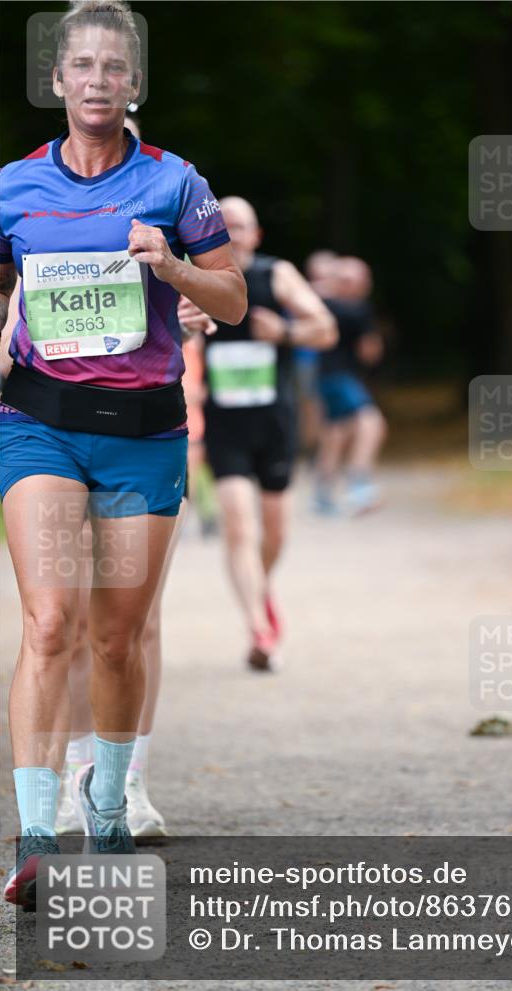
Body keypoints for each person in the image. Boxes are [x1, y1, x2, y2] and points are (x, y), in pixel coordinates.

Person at [0, 0, 246, 908]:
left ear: (133, 84)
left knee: (113, 636)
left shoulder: (175, 184)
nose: (98, 82)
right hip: (40, 423)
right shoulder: (10, 189)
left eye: (115, 69)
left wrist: (174, 268)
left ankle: (105, 809)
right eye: (82, 67)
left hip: (143, 433)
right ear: (57, 80)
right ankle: (34, 836)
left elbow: (233, 301)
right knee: (50, 621)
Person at [53, 118, 218, 841]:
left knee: (134, 621)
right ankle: (70, 777)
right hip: (56, 433)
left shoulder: (166, 208)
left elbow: (208, 298)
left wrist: (187, 300)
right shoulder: (43, 221)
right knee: (67, 620)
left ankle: (126, 780)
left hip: (143, 433)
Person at [202, 197, 336, 670]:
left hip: (274, 421)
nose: (233, 235)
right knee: (239, 525)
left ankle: (261, 590)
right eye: (225, 226)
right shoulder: (198, 279)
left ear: (256, 234)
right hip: (224, 424)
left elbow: (326, 328)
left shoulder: (276, 275)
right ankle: (259, 628)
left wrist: (284, 332)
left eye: (241, 227)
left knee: (275, 531)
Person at [312, 256, 387, 515]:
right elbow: (370, 352)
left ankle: (322, 496)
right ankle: (359, 484)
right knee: (371, 422)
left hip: (324, 377)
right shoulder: (357, 309)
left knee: (335, 434)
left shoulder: (319, 302)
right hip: (341, 377)